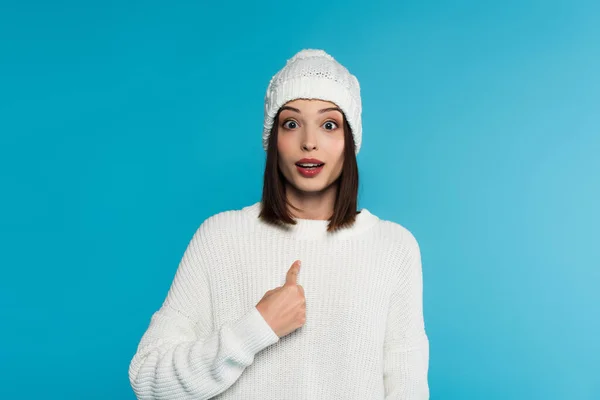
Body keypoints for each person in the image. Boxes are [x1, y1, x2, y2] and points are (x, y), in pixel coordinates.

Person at [128, 48, 430, 399]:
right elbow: (148, 380)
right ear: (274, 139)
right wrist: (255, 328)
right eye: (291, 123)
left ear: (350, 139)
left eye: (329, 124)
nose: (309, 142)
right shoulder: (221, 237)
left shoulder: (393, 247)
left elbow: (407, 389)